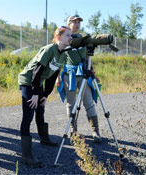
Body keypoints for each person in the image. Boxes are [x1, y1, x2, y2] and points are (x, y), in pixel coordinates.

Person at [17, 26, 72, 166]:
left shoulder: (63, 53)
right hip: (28, 81)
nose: (71, 38)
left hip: (37, 83)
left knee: (40, 109)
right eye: (68, 35)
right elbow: (37, 72)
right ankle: (27, 155)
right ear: (59, 37)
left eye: (71, 36)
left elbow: (52, 76)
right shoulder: (49, 50)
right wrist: (35, 93)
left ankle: (44, 138)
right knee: (29, 114)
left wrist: (45, 95)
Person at [56, 15, 102, 143]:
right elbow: (59, 59)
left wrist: (93, 74)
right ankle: (73, 130)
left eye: (78, 22)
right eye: (74, 22)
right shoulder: (64, 38)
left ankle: (95, 131)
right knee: (71, 104)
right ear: (68, 23)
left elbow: (88, 58)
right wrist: (57, 77)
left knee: (89, 102)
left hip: (83, 74)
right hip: (69, 74)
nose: (77, 24)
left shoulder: (84, 38)